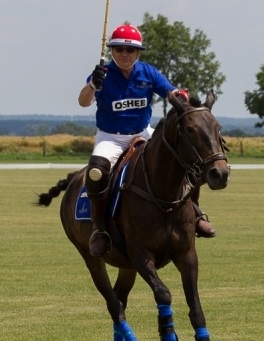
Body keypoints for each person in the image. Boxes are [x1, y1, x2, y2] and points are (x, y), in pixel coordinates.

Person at [79, 24, 216, 256]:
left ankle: (196, 213)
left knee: (185, 163)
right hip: (111, 137)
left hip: (143, 134)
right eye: (119, 49)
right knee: (97, 172)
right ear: (111, 50)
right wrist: (92, 85)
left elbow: (170, 92)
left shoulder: (148, 73)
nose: (125, 54)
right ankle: (99, 228)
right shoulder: (102, 74)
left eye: (130, 50)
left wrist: (180, 94)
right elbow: (83, 102)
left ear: (138, 52)